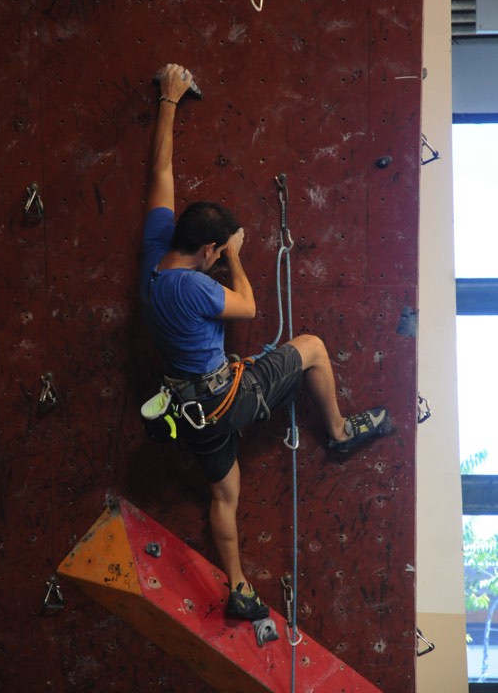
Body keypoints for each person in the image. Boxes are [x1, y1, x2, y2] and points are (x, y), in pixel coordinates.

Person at [139, 63, 392, 621]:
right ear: (206, 250)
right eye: (215, 250)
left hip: (191, 413)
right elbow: (249, 306)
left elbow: (160, 172)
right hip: (228, 399)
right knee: (313, 348)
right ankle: (340, 432)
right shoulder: (196, 286)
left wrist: (168, 101)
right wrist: (233, 256)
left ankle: (239, 587)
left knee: (224, 491)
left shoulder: (155, 259)